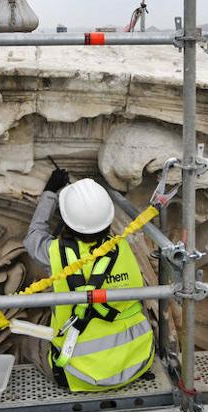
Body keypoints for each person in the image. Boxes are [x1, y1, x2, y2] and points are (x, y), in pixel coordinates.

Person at [22, 167, 155, 391]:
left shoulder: (55, 254)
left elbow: (34, 235)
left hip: (79, 375)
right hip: (138, 361)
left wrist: (49, 194)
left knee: (28, 342)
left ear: (67, 220)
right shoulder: (122, 246)